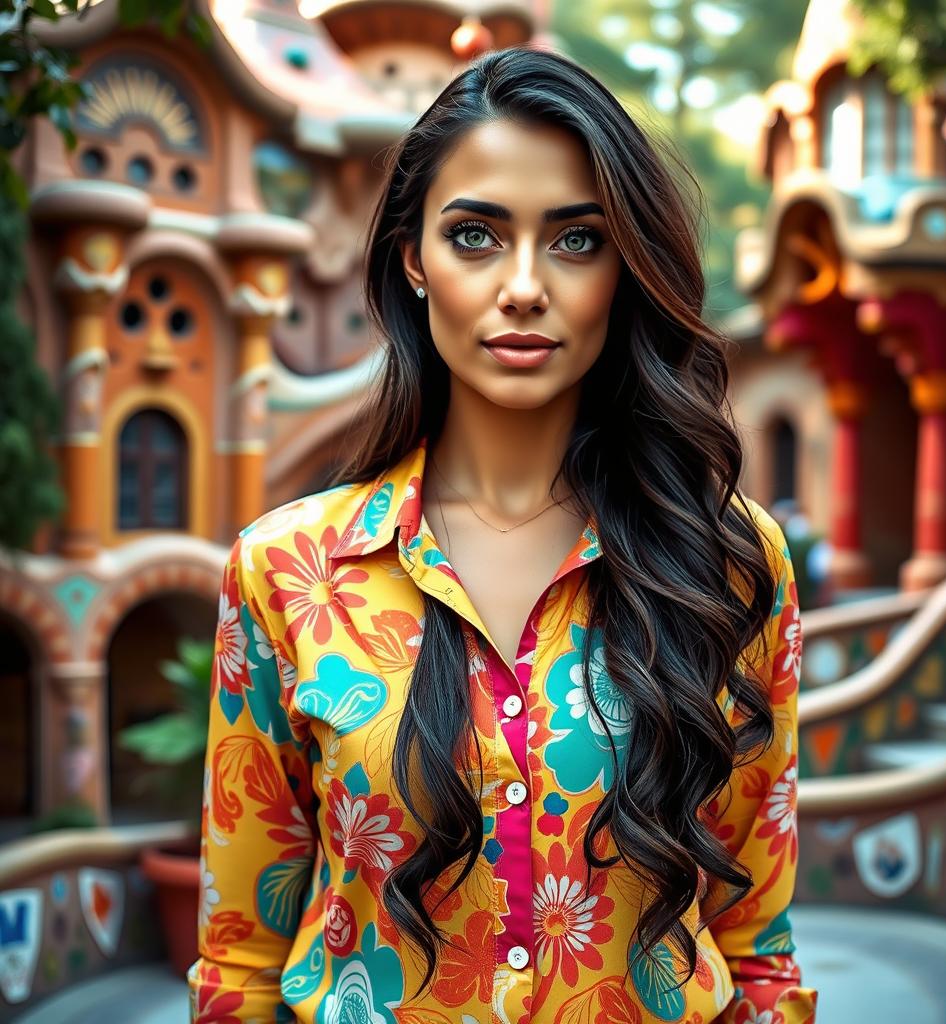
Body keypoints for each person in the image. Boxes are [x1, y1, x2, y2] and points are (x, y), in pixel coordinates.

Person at [187, 44, 818, 1024]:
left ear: (624, 268)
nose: (523, 285)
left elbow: (757, 950)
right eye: (476, 236)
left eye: (576, 241)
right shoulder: (286, 571)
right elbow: (242, 962)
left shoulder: (726, 562)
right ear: (413, 257)